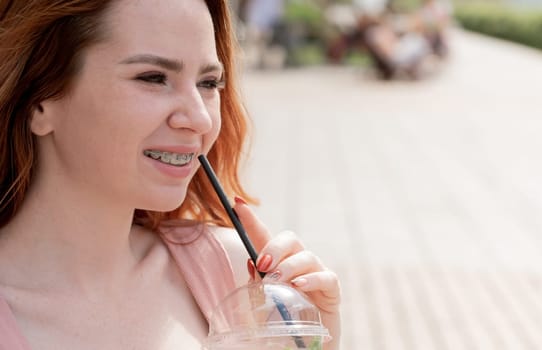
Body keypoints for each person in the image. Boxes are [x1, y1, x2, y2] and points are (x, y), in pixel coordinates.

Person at [0, 0, 340, 349]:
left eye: (209, 83)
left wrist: (318, 345)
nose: (200, 118)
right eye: (153, 78)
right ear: (39, 101)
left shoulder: (235, 275)